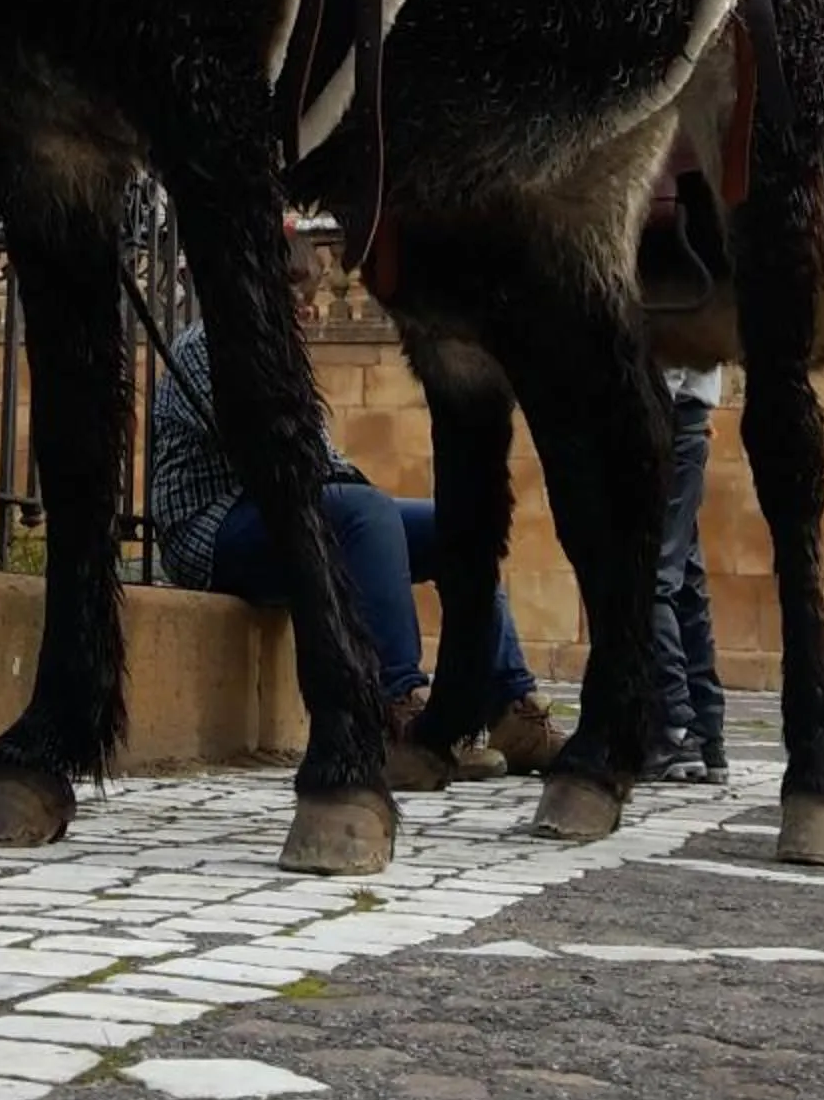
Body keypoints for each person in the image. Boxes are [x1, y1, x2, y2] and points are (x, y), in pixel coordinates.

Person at [148, 242, 561, 786]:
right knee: (368, 513)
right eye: (292, 295)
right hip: (214, 529)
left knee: (457, 525)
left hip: (288, 511)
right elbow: (277, 454)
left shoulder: (281, 353)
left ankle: (509, 705)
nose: (305, 308)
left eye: (307, 295)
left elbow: (314, 466)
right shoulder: (210, 346)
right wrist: (367, 503)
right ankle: (399, 708)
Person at [647, 357, 728, 784]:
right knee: (685, 580)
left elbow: (668, 345)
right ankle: (708, 734)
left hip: (661, 415)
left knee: (649, 577)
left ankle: (674, 727)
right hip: (690, 417)